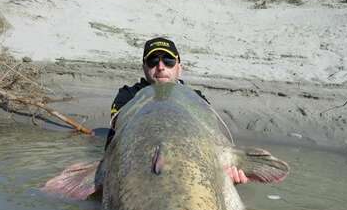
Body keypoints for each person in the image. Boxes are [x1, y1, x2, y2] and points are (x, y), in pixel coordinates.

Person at [106, 37, 248, 184]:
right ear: (144, 68)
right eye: (153, 61)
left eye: (168, 61)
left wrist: (223, 171)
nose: (161, 67)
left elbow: (211, 137)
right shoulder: (128, 95)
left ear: (179, 67)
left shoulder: (197, 98)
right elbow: (120, 130)